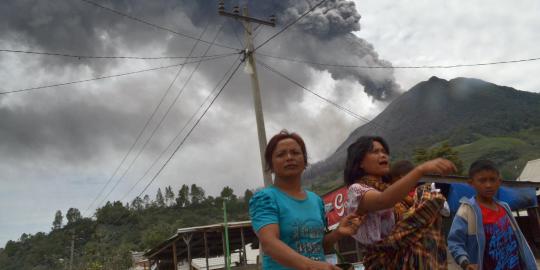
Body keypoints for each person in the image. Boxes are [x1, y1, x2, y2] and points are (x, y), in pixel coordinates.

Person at [249, 130, 361, 270]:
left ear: (305, 160)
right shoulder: (265, 198)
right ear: (270, 164)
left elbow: (317, 247)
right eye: (281, 154)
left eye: (295, 153)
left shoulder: (316, 200)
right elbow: (270, 244)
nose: (289, 157)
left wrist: (338, 233)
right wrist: (312, 266)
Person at [344, 136, 456, 269]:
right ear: (360, 162)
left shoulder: (394, 190)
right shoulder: (356, 190)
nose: (383, 155)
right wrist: (420, 170)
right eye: (375, 152)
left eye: (384, 152)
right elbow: (383, 201)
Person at [447, 160, 536, 270]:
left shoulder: (505, 207)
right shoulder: (467, 211)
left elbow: (518, 239)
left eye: (492, 180)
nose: (488, 185)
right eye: (482, 180)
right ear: (471, 183)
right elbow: (455, 241)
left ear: (499, 181)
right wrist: (465, 262)